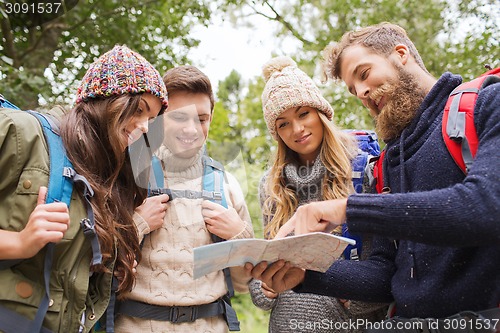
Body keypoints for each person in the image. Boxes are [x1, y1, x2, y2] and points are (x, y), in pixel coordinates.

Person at [246, 22, 500, 330]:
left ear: (401, 54)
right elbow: (383, 277)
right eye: (353, 89)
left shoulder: (487, 103)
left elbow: (486, 206)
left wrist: (346, 208)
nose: (362, 93)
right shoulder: (389, 163)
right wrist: (304, 276)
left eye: (364, 74)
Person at [0, 45, 168, 332]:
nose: (144, 127)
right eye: (139, 109)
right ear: (105, 100)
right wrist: (18, 243)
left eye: (150, 119)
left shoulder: (103, 179)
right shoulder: (20, 132)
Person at [248, 56, 387, 333]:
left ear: (320, 113)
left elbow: (382, 268)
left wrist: (348, 302)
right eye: (283, 123)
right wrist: (265, 286)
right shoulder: (271, 185)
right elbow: (261, 282)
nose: (297, 129)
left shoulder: (362, 170)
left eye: (303, 114)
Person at [115, 65, 254, 333]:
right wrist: (139, 224)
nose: (191, 129)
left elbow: (244, 283)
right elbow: (97, 263)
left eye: (202, 119)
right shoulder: (127, 177)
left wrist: (239, 234)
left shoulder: (227, 185)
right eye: (179, 117)